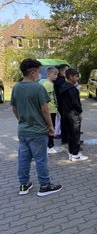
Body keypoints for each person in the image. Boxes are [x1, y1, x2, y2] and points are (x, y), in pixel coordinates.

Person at [10, 58, 62, 196]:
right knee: (41, 159)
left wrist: (22, 121)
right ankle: (44, 186)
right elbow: (45, 110)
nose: (40, 74)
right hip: (38, 131)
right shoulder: (38, 87)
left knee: (23, 158)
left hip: (23, 130)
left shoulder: (15, 87)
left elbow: (14, 109)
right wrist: (51, 127)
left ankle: (24, 185)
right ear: (33, 73)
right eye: (39, 72)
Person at [60, 68, 88, 161]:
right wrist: (80, 112)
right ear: (71, 77)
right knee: (75, 134)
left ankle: (71, 152)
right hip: (72, 114)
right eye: (76, 76)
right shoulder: (72, 89)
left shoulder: (63, 87)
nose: (77, 79)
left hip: (65, 113)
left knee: (70, 134)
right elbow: (75, 103)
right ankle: (75, 154)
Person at [42, 67, 63, 154]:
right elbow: (45, 98)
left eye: (57, 75)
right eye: (54, 74)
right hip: (50, 109)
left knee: (52, 127)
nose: (56, 76)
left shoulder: (50, 83)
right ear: (48, 74)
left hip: (53, 108)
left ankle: (52, 145)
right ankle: (49, 146)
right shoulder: (48, 84)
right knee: (51, 127)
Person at [54, 64, 70, 144]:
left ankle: (64, 138)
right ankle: (65, 138)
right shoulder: (60, 81)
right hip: (62, 104)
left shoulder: (62, 80)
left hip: (62, 104)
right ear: (61, 71)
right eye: (66, 70)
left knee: (63, 121)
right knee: (64, 121)